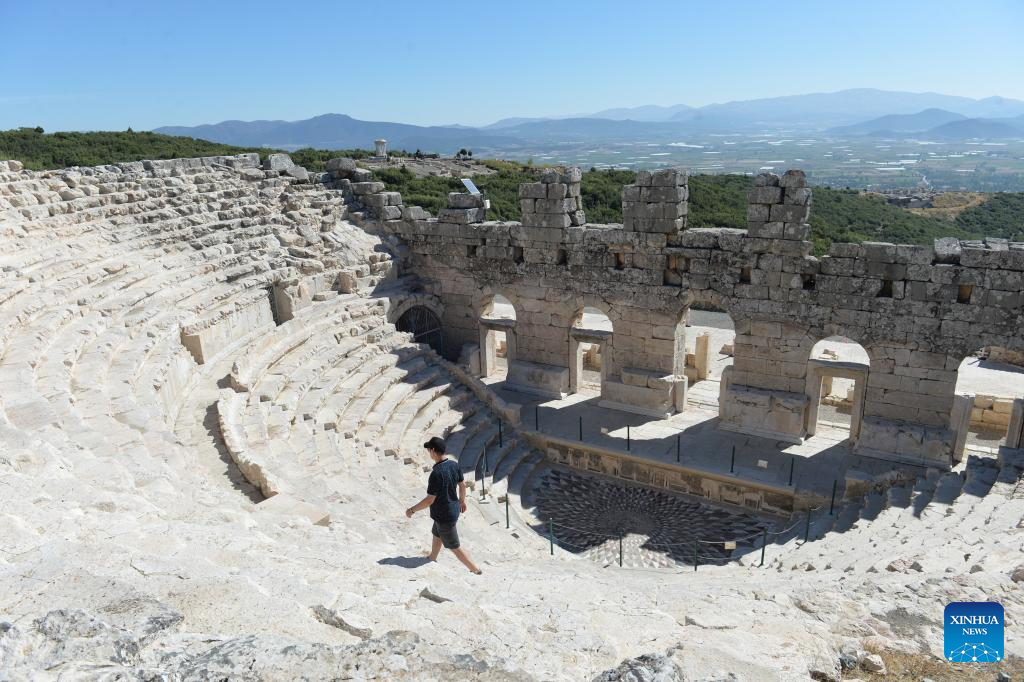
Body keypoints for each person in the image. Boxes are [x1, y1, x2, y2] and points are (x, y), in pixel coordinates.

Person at [405, 436, 481, 574]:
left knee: (454, 546)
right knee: (436, 533)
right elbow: (462, 486)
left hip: (445, 515)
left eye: (429, 450)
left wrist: (412, 510)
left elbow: (429, 500)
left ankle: (475, 569)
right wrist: (462, 501)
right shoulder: (454, 465)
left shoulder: (436, 473)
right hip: (450, 509)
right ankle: (432, 557)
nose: (429, 453)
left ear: (433, 450)